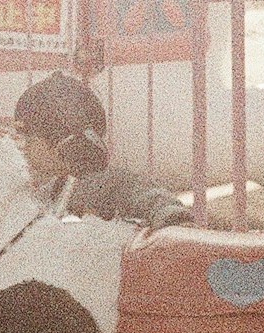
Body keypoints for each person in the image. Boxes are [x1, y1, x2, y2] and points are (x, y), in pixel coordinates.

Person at [11, 71, 192, 230]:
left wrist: (173, 221)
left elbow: (159, 204)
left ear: (59, 140)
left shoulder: (110, 183)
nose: (24, 148)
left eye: (29, 139)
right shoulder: (48, 191)